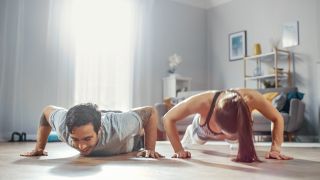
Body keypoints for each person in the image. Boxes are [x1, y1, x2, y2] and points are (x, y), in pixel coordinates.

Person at [163, 89, 293, 162]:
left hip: (238, 133)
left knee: (236, 144)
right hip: (203, 129)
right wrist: (179, 150)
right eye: (224, 130)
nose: (224, 135)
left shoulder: (252, 98)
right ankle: (191, 130)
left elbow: (277, 118)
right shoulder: (203, 102)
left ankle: (235, 137)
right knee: (196, 140)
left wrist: (275, 149)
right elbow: (168, 118)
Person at [21, 103, 163, 158]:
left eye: (87, 139)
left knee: (139, 131)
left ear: (99, 130)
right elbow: (46, 111)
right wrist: (39, 148)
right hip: (99, 116)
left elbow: (150, 112)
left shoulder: (119, 127)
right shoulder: (63, 125)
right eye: (75, 139)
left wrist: (149, 148)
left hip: (130, 140)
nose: (81, 146)